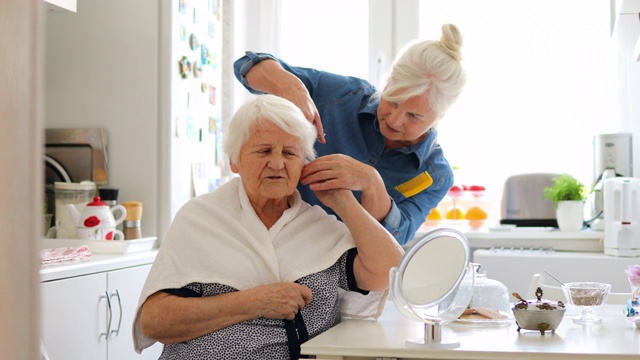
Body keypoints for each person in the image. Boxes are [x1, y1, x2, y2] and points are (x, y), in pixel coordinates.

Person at [132, 94, 404, 360]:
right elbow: (155, 322)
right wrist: (256, 302)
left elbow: (389, 271)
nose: (277, 163)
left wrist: (344, 201)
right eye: (263, 151)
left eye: (289, 153)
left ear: (303, 164)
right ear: (233, 161)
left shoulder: (318, 225)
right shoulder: (200, 217)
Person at [233, 24, 467, 245]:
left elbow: (395, 238)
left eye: (414, 116)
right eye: (392, 101)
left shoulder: (434, 175)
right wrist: (287, 84)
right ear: (386, 84)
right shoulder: (341, 95)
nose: (395, 120)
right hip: (266, 237)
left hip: (348, 275)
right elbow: (245, 66)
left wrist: (371, 183)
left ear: (440, 117)